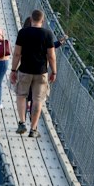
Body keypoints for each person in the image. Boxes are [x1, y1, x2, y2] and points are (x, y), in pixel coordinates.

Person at [10, 8, 58, 138]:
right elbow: (51, 56)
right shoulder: (48, 34)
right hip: (41, 72)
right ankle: (33, 130)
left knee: (21, 95)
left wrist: (13, 70)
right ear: (43, 20)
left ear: (31, 19)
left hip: (25, 70)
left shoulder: (23, 33)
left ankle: (22, 123)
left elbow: (17, 53)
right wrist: (54, 71)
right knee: (38, 100)